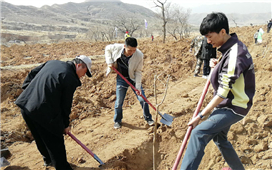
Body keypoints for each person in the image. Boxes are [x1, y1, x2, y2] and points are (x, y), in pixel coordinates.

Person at [180, 12, 255, 170]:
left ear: (222, 31)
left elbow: (222, 92)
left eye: (210, 36)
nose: (208, 41)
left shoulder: (236, 53)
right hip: (231, 103)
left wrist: (200, 115)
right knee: (220, 139)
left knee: (198, 133)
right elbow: (230, 74)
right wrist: (218, 67)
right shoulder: (232, 48)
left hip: (234, 106)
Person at [15, 55, 92, 170]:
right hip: (43, 112)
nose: (83, 76)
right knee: (56, 141)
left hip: (26, 106)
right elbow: (65, 104)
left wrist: (28, 90)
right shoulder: (70, 77)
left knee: (39, 137)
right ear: (79, 65)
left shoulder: (52, 63)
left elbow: (32, 73)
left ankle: (48, 160)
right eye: (85, 72)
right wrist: (65, 125)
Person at [105, 37, 154, 129]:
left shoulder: (139, 55)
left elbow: (138, 72)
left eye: (134, 50)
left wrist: (138, 87)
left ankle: (148, 119)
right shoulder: (117, 48)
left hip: (133, 78)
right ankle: (117, 121)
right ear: (124, 46)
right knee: (119, 101)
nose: (132, 52)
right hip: (121, 78)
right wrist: (110, 62)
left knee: (142, 99)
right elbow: (107, 48)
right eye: (129, 50)